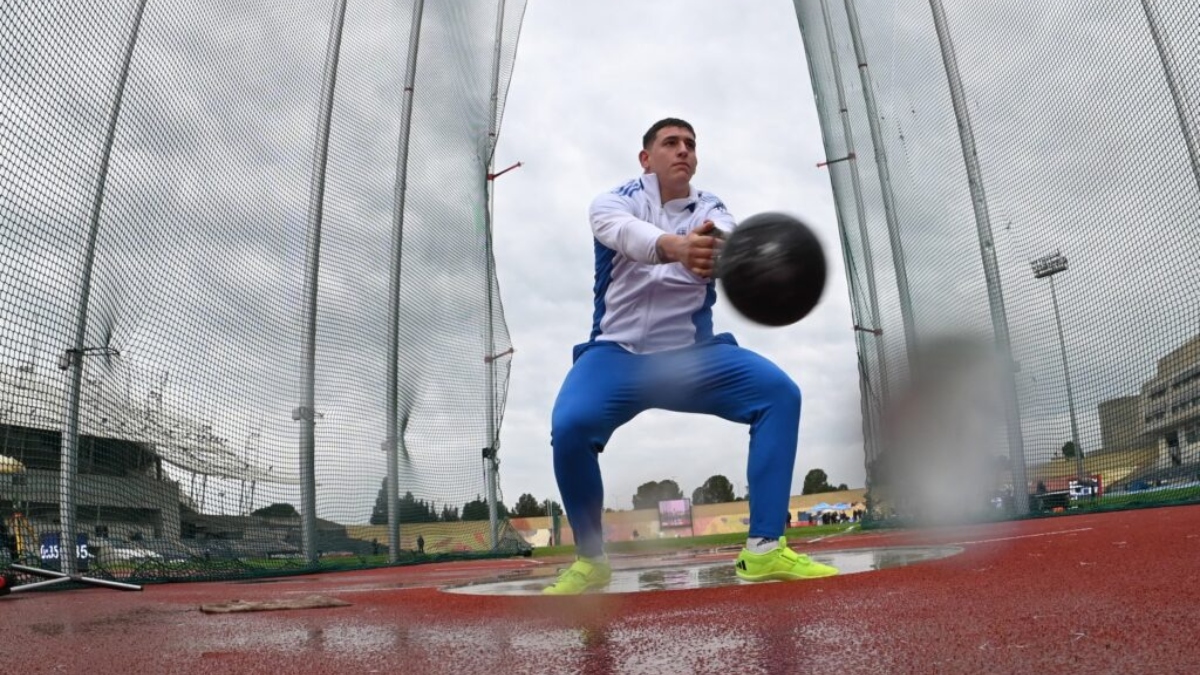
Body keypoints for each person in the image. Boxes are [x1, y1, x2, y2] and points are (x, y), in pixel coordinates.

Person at [542, 118, 837, 595]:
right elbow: (625, 234)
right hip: (616, 354)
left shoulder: (712, 208)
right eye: (671, 143)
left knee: (780, 394)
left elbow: (727, 237)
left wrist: (728, 252)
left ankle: (765, 548)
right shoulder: (612, 202)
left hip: (693, 357)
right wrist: (676, 247)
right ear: (646, 158)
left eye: (690, 144)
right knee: (570, 426)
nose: (684, 150)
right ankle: (591, 560)